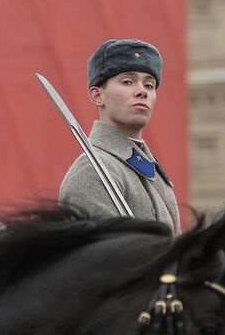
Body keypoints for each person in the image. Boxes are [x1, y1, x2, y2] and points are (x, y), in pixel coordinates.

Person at [59, 39, 180, 232]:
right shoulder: (92, 171)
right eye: (127, 82)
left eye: (149, 85)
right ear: (98, 96)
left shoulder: (152, 169)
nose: (142, 91)